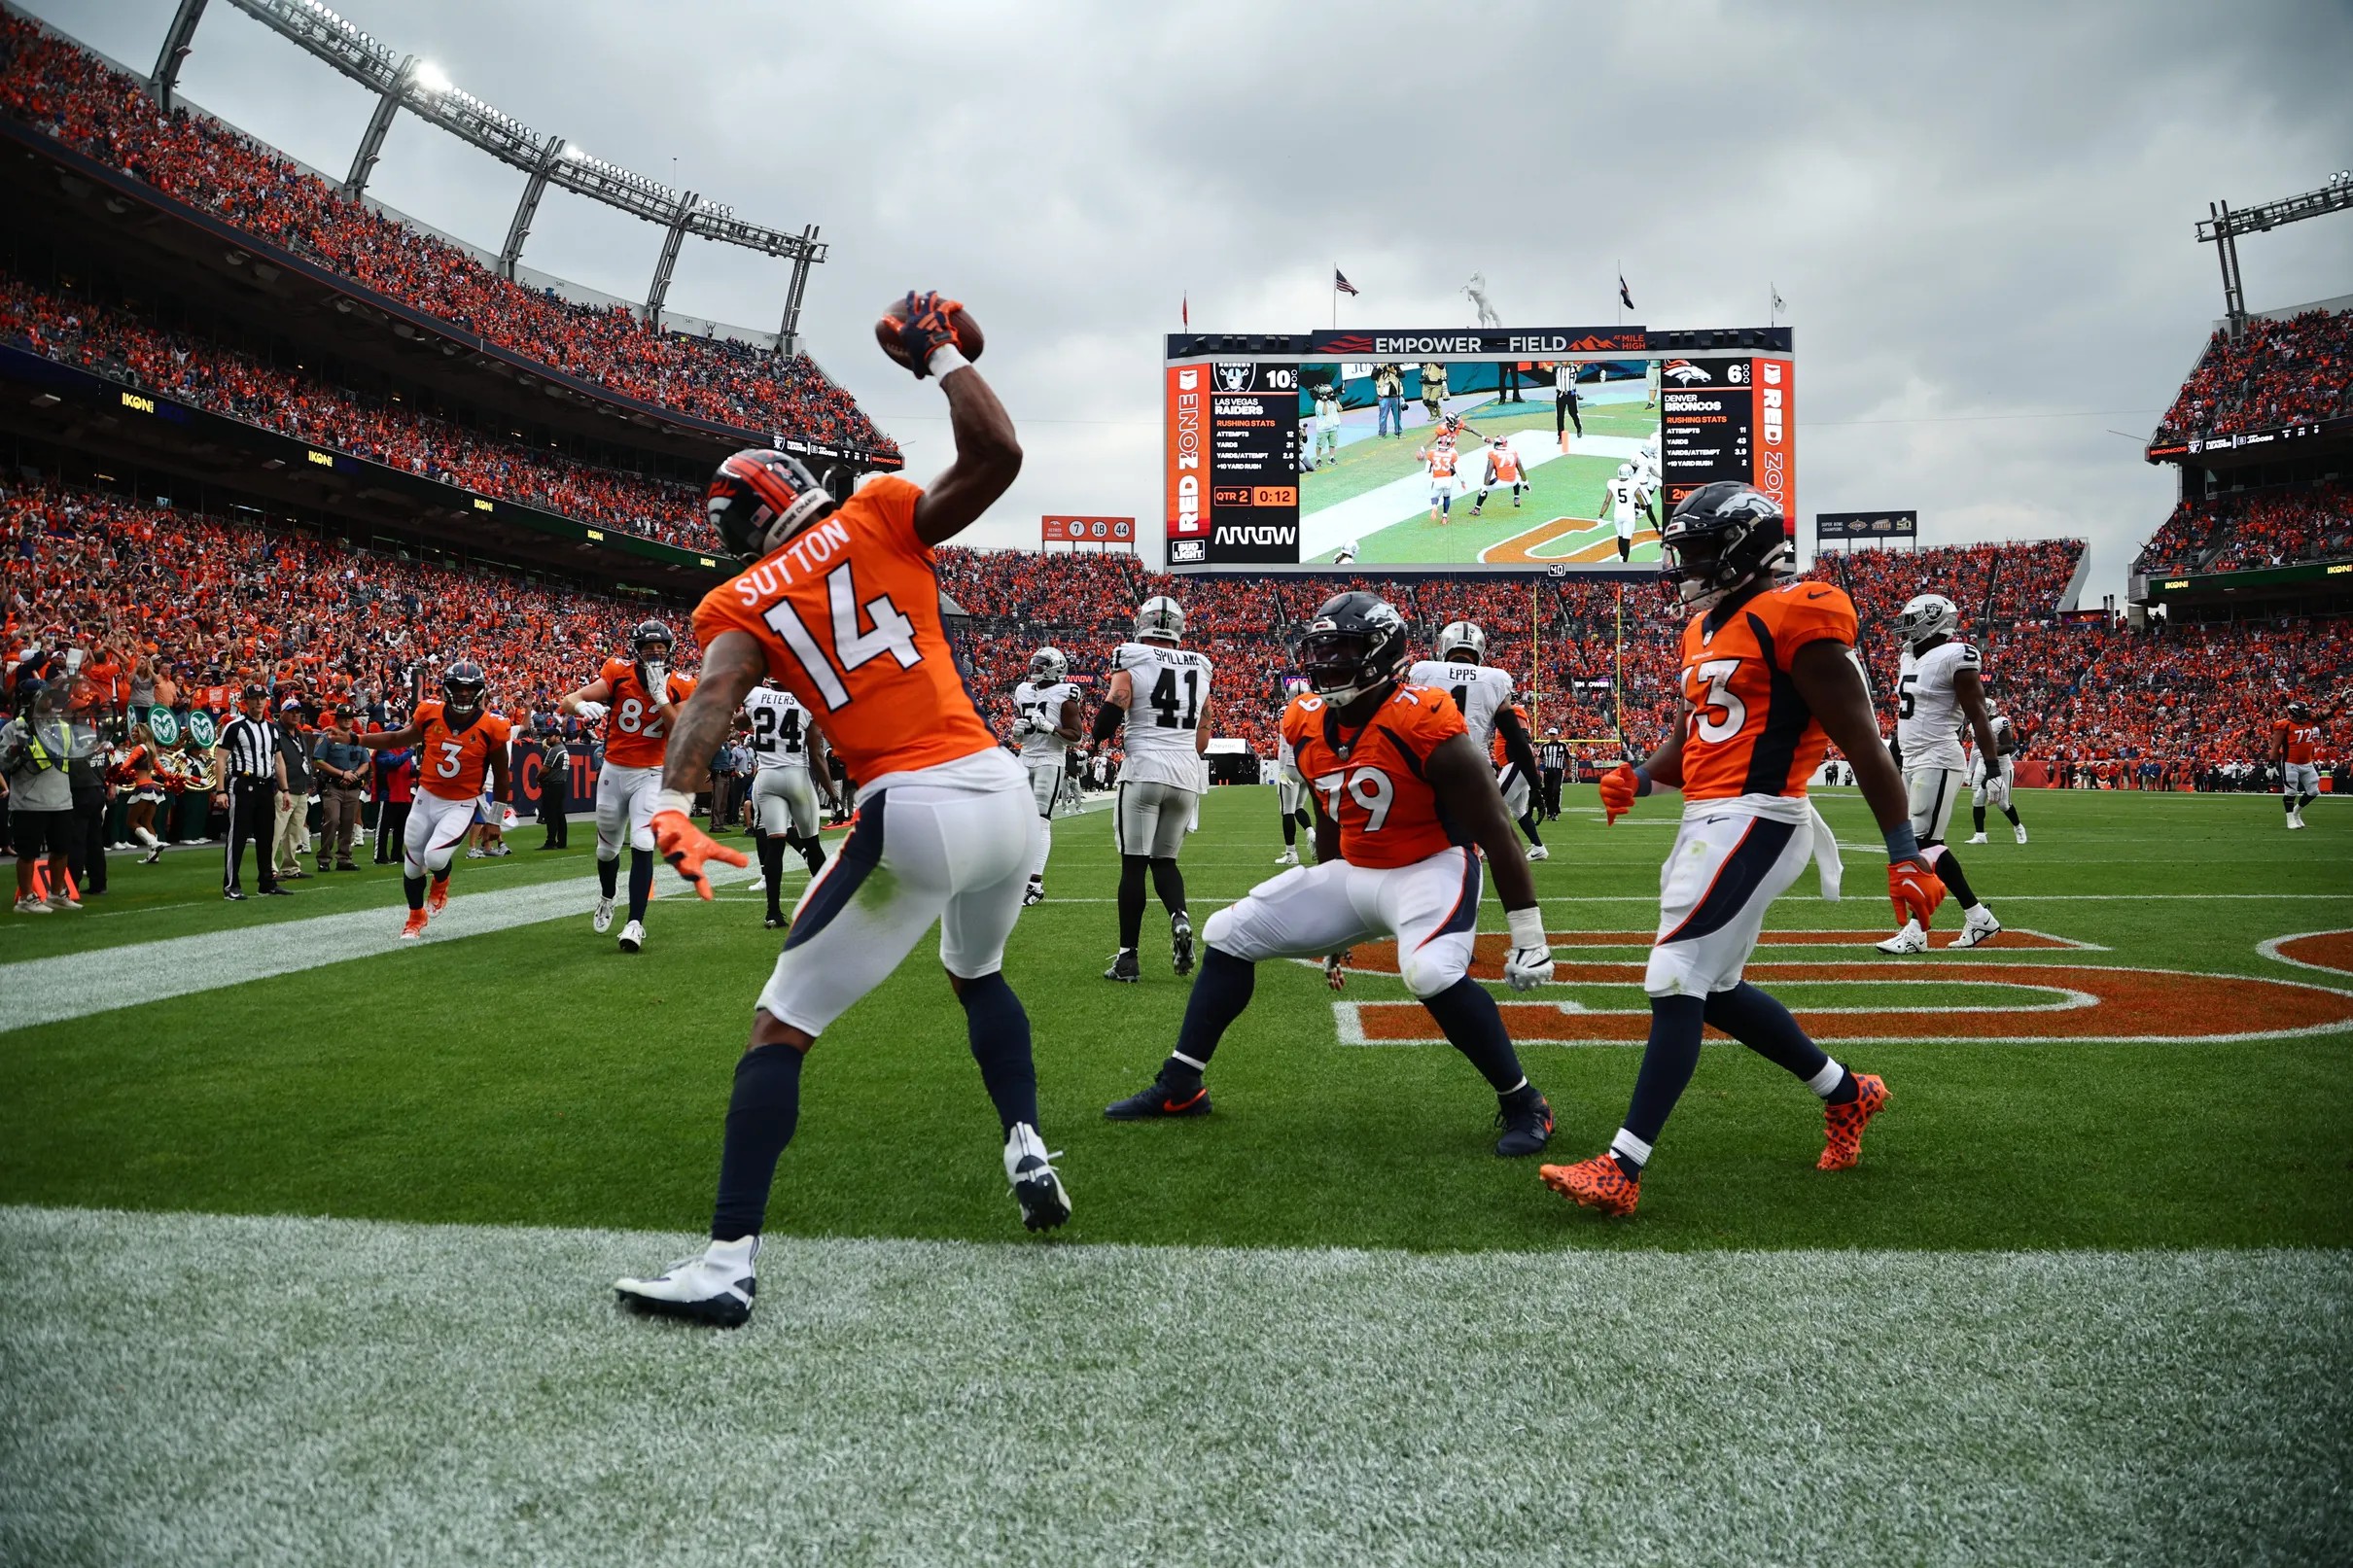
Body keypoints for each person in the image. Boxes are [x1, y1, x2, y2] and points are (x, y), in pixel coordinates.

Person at [615, 293, 1066, 1328]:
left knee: (779, 1023)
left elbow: (715, 699)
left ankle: (727, 1261)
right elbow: (997, 454)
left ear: (750, 512)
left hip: (909, 804)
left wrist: (677, 802)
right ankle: (1025, 1139)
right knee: (979, 970)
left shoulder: (738, 603)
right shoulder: (875, 512)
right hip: (1002, 794)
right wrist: (942, 353)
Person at [1542, 482, 1944, 1217]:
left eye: (1697, 549)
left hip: (1762, 815)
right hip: (1711, 816)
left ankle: (1622, 1167)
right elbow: (1698, 732)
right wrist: (1640, 775)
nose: (1685, 564)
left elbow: (1863, 743)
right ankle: (1847, 1092)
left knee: (1673, 976)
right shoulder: (1705, 628)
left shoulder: (1799, 614)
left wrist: (1905, 853)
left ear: (1743, 551)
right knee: (1714, 990)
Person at [1103, 591, 1558, 1157]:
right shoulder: (1306, 721)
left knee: (1430, 972)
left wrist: (1529, 937)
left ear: (1382, 653)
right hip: (1357, 869)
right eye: (1320, 650)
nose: (1326, 663)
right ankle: (1181, 1084)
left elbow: (1494, 828)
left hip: (1432, 867)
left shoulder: (1424, 716)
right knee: (1228, 933)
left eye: (1342, 650)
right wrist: (1336, 925)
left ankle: (1524, 1101)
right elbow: (1330, 813)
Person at [559, 620, 696, 954]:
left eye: (659, 649)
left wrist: (661, 696)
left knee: (643, 841)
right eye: (648, 649)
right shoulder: (618, 671)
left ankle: (635, 923)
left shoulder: (683, 683)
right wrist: (579, 705)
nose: (654, 654)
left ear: (670, 650)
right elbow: (568, 699)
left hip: (652, 773)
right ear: (636, 650)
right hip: (614, 770)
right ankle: (608, 896)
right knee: (606, 850)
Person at [1095, 596, 1212, 983]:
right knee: (1165, 863)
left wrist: (1096, 739)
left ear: (1142, 623)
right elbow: (1203, 734)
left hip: (1145, 767)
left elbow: (1118, 698)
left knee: (1134, 865)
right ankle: (1179, 917)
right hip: (1186, 774)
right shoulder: (1202, 664)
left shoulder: (1131, 654)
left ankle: (1128, 958)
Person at [1877, 593, 2004, 953]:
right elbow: (1908, 717)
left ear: (1933, 621)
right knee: (1923, 844)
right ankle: (1979, 919)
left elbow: (1977, 712)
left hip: (1939, 756)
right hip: (1914, 757)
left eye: (1911, 619)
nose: (1904, 626)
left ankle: (1917, 933)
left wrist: (1992, 766)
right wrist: (1894, 758)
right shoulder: (1908, 655)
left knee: (1922, 845)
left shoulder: (1955, 655)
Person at [348, 659, 510, 939]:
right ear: (447, 689)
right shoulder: (430, 712)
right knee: (412, 866)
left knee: (435, 857)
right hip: (426, 797)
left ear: (479, 692)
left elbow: (502, 775)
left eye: (469, 690)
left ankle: (441, 882)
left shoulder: (492, 726)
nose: (463, 695)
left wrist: (494, 821)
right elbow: (395, 739)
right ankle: (415, 917)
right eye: (457, 689)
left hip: (461, 802)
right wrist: (354, 739)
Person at [1408, 621, 1546, 859]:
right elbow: (1517, 740)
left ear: (1445, 646)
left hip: (1430, 768)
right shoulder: (1495, 679)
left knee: (1425, 845)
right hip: (1475, 771)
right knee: (1472, 846)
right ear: (1479, 650)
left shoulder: (1423, 671)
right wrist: (1536, 785)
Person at [740, 677, 832, 929]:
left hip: (767, 777)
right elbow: (815, 754)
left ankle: (773, 912)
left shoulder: (755, 695)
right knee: (811, 844)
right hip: (797, 775)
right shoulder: (807, 699)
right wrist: (833, 796)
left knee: (775, 843)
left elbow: (739, 721)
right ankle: (828, 906)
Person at [1011, 646, 1081, 907]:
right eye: (1034, 664)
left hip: (1050, 760)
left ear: (1055, 667)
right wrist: (1017, 733)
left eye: (1041, 665)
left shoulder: (1066, 693)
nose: (1035, 669)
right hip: (1025, 757)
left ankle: (1035, 885)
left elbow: (1077, 737)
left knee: (1040, 821)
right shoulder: (1022, 690)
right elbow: (1023, 730)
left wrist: (1051, 728)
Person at [3, 680, 81, 912]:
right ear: (32, 699)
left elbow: (74, 754)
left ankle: (56, 893)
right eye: (45, 696)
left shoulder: (62, 726)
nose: (50, 700)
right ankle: (25, 898)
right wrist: (13, 751)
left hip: (61, 798)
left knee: (61, 849)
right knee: (28, 853)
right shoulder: (15, 727)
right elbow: (2, 761)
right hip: (29, 801)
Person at [212, 685, 290, 901]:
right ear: (245, 701)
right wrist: (220, 790)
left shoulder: (273, 729)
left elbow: (279, 760)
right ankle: (231, 885)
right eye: (254, 698)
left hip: (266, 786)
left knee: (266, 836)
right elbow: (220, 759)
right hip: (242, 784)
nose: (258, 702)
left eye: (262, 698)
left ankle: (266, 882)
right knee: (237, 836)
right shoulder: (234, 727)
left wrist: (285, 790)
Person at [311, 713, 368, 870]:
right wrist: (342, 774)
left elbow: (365, 764)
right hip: (333, 786)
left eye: (350, 717)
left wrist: (354, 775)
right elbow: (318, 762)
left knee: (348, 823)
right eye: (344, 716)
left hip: (352, 786)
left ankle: (344, 858)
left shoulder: (357, 738)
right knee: (333, 820)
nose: (348, 719)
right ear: (337, 719)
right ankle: (324, 858)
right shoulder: (327, 737)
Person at [1966, 701, 2027, 845]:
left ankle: (2018, 827)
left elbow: (2009, 747)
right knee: (1977, 799)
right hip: (1983, 766)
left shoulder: (2000, 723)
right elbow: (1976, 749)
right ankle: (1980, 835)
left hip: (2002, 767)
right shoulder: (1973, 725)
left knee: (2003, 804)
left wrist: (1987, 752)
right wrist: (1969, 771)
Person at [2275, 697, 2339, 830]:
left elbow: (2327, 712)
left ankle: (2296, 812)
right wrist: (2271, 763)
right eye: (2303, 712)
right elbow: (2275, 746)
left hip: (2306, 762)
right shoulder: (2283, 725)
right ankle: (2290, 819)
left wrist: (2342, 699)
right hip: (2290, 762)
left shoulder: (2310, 721)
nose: (2306, 715)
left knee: (2314, 791)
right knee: (2291, 791)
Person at [272, 697, 313, 882]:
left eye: (298, 712)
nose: (296, 715)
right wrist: (279, 787)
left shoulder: (300, 735)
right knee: (276, 830)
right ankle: (269, 868)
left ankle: (290, 867)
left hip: (300, 787)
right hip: (283, 789)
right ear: (282, 713)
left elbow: (305, 760)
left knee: (294, 832)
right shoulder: (275, 732)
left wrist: (310, 781)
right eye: (291, 711)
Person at [1273, 675, 1313, 865]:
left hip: (1290, 765)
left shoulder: (1285, 711)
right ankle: (1312, 836)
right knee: (1299, 808)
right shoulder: (1315, 710)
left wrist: (1281, 770)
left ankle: (1291, 854)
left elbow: (1283, 745)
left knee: (1287, 810)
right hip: (1308, 766)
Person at [371, 727, 415, 865]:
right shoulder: (383, 749)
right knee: (383, 827)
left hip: (403, 793)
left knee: (401, 826)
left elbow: (409, 769)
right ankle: (380, 855)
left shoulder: (403, 750)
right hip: (388, 793)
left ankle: (396, 853)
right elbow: (393, 763)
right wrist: (411, 750)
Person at [1599, 462, 1658, 564]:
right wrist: (1643, 508)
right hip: (1628, 516)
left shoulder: (1612, 483)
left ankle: (1621, 556)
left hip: (1617, 514)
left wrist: (1600, 516)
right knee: (1626, 540)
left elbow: (1606, 501)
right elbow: (1639, 497)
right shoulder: (1633, 484)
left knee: (1620, 537)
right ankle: (1624, 561)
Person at [1467, 436, 1527, 516]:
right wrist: (1525, 482)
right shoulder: (1513, 452)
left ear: (1497, 444)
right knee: (1517, 476)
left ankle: (1477, 509)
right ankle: (1516, 498)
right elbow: (1520, 468)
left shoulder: (1493, 454)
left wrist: (1485, 487)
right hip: (1513, 481)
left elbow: (1489, 472)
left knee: (1484, 489)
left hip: (1500, 482)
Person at [1538, 728, 1569, 820]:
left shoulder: (1563, 745)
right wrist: (1533, 768)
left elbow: (1567, 758)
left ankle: (1555, 812)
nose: (1552, 736)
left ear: (1557, 735)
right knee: (1547, 792)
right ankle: (1549, 812)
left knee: (1556, 791)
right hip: (1548, 771)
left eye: (1553, 734)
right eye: (1550, 734)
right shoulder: (1545, 746)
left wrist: (1569, 770)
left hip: (1558, 771)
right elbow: (1540, 758)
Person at [1551, 361, 1583, 448]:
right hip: (1560, 395)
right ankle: (1561, 436)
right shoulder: (1558, 369)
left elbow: (1580, 368)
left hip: (1571, 394)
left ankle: (1579, 427)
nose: (1564, 362)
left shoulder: (1574, 368)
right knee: (1560, 416)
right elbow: (1547, 369)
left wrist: (1581, 363)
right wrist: (1543, 361)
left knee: (1573, 413)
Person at [1374, 364, 1403, 438]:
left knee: (1397, 416)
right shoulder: (1378, 367)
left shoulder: (1395, 366)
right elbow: (1373, 377)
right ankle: (1382, 433)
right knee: (1383, 416)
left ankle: (1398, 432)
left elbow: (1402, 375)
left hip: (1395, 396)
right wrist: (1381, 369)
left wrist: (1393, 371)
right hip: (1384, 397)